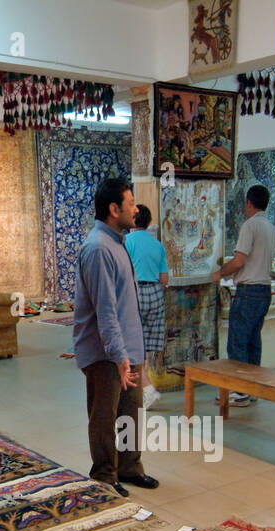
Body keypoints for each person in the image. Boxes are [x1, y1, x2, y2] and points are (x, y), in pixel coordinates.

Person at [73, 177, 159, 496]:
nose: (136, 209)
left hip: (127, 350)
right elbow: (106, 309)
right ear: (114, 209)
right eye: (131, 203)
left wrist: (135, 352)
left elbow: (126, 304)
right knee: (104, 417)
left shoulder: (118, 243)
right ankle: (104, 475)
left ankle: (129, 466)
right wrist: (119, 354)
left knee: (131, 413)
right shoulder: (97, 248)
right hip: (106, 353)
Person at [212, 184, 275, 407]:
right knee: (253, 341)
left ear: (249, 203)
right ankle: (251, 388)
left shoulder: (250, 226)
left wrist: (220, 273)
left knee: (238, 342)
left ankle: (238, 391)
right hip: (264, 290)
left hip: (248, 292)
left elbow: (239, 260)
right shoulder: (270, 227)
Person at [125, 204, 169, 403]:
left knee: (133, 345)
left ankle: (147, 389)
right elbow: (164, 278)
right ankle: (145, 386)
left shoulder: (127, 241)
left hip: (136, 293)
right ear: (149, 222)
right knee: (145, 346)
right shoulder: (157, 245)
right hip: (155, 294)